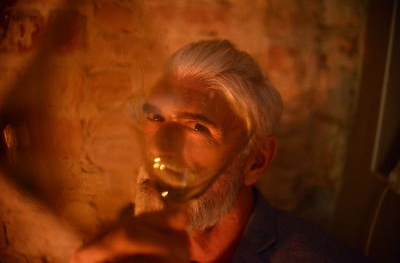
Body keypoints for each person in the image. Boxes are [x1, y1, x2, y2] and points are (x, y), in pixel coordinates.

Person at [71, 40, 368, 263]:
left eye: (198, 128)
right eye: (156, 118)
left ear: (256, 161)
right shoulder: (124, 239)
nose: (159, 146)